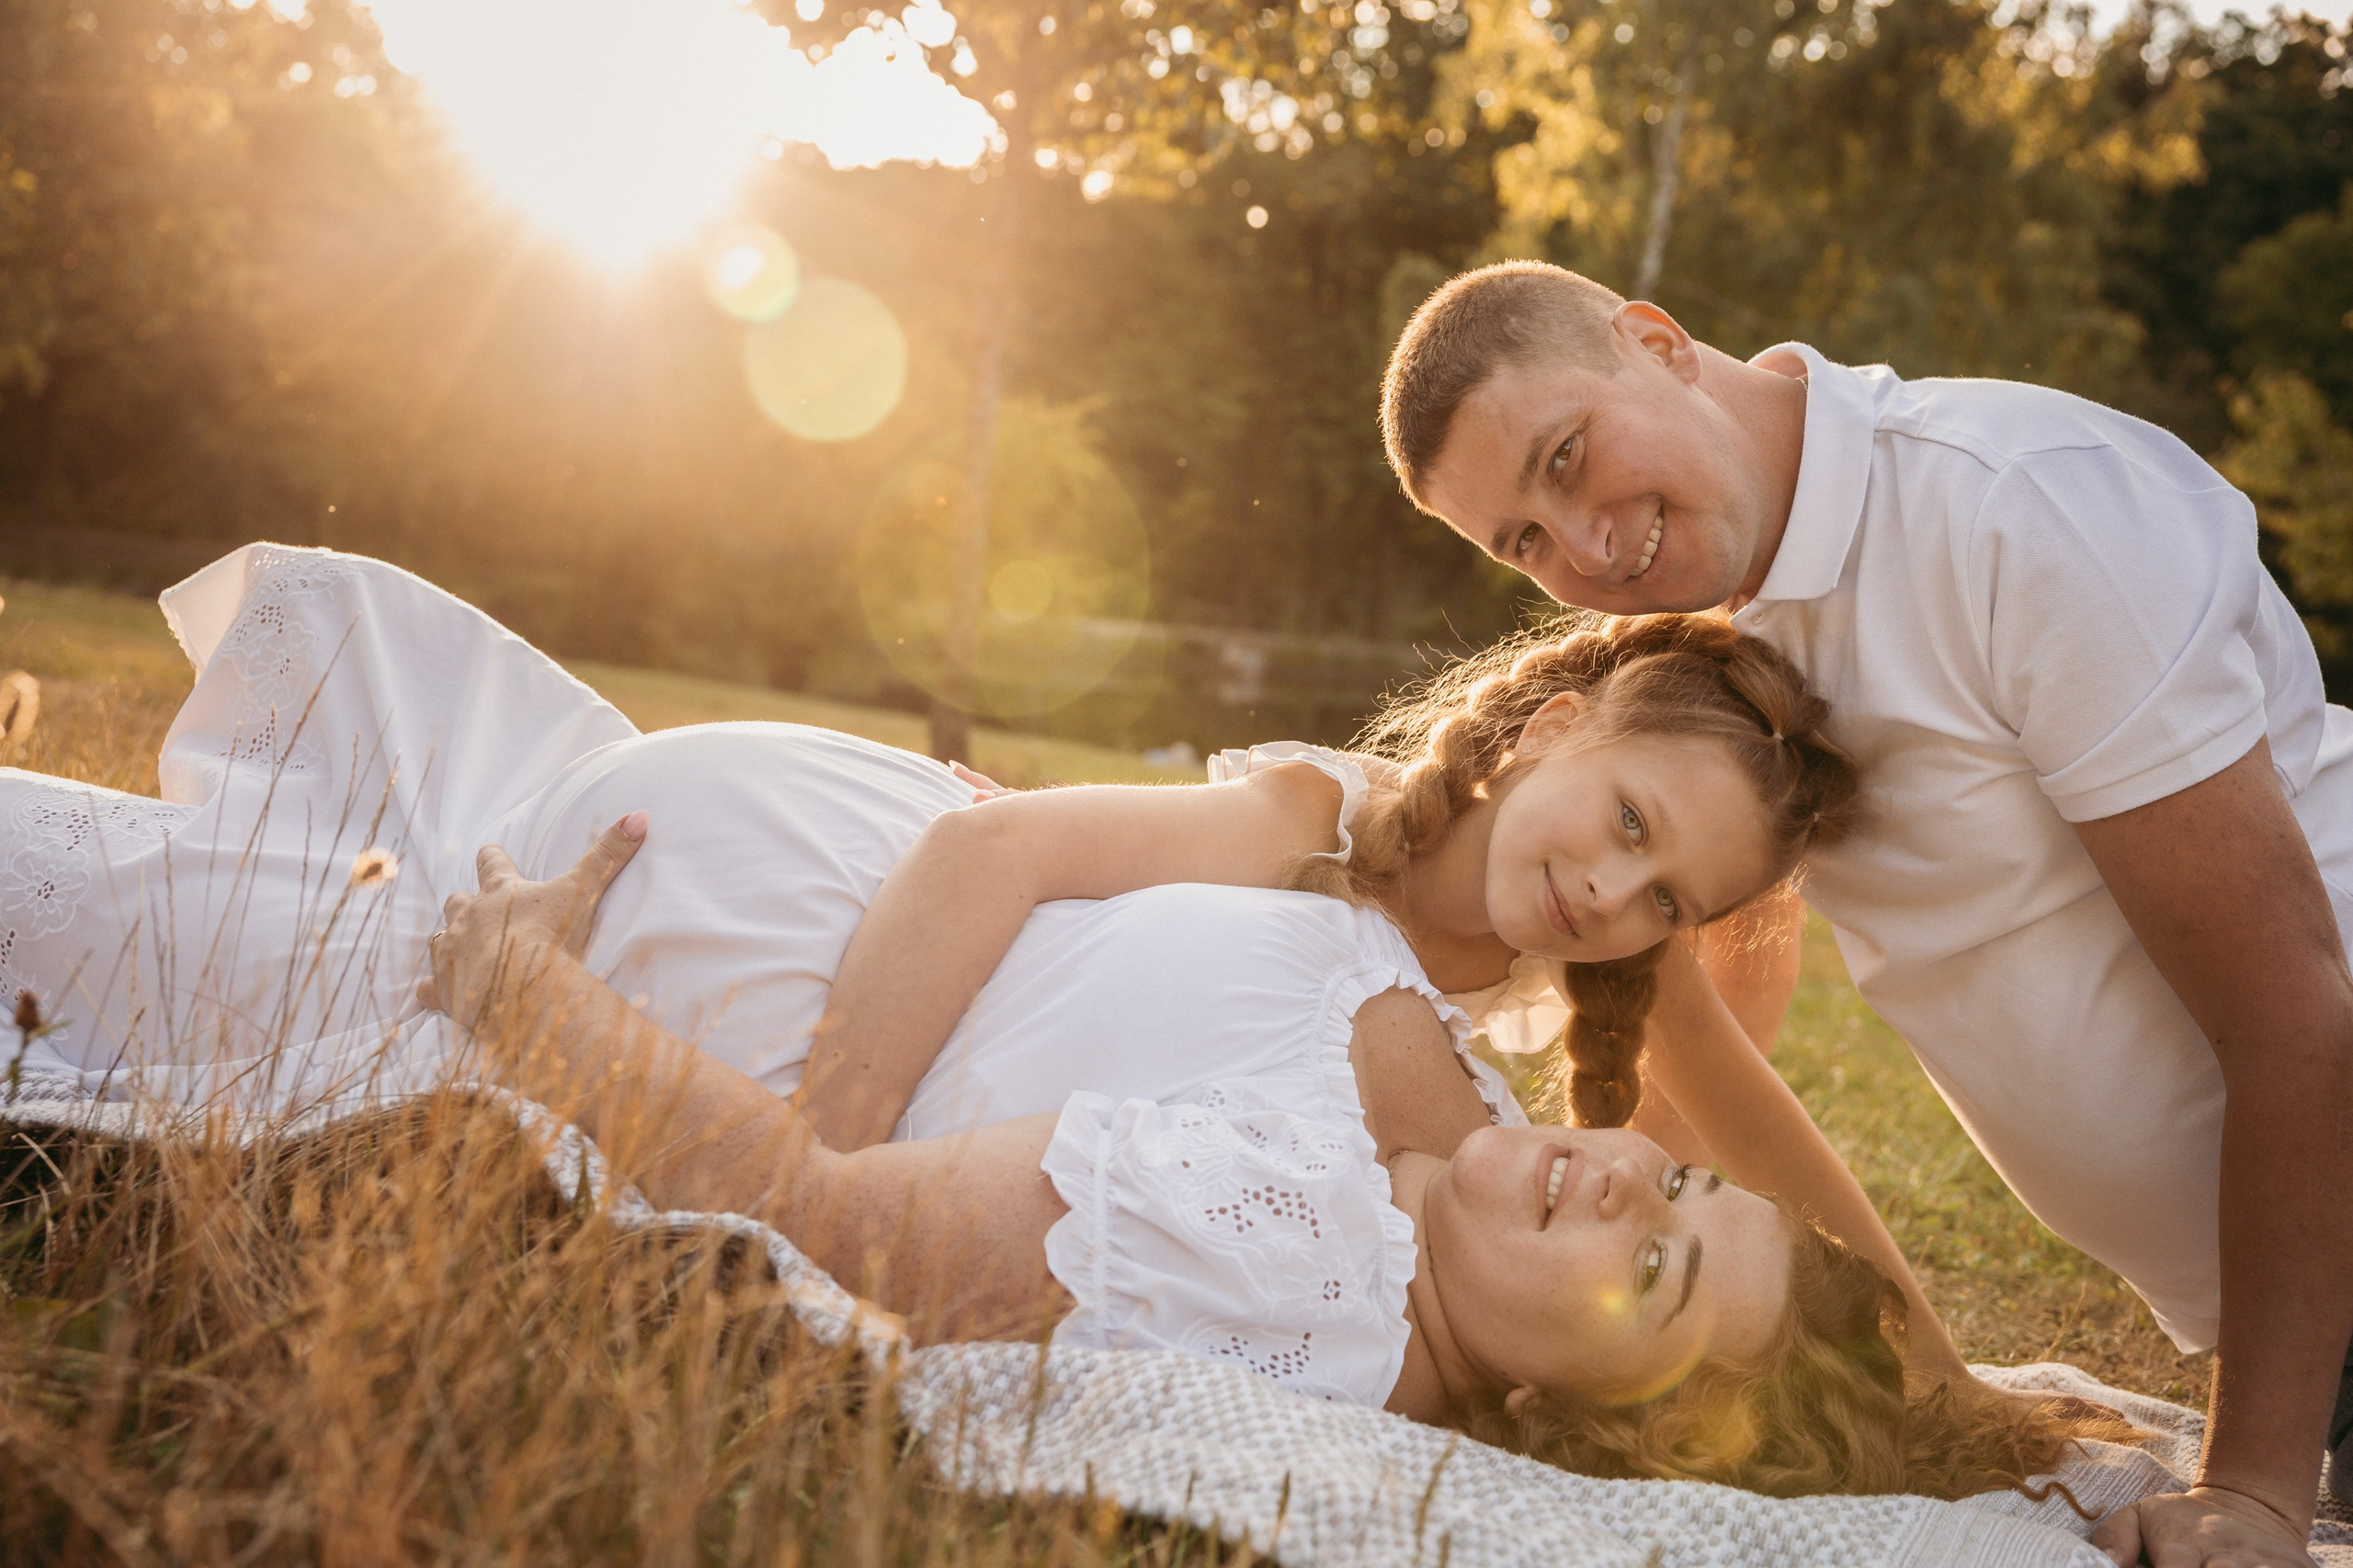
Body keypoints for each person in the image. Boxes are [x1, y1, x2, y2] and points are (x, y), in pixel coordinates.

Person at [1380, 259, 2353, 1567]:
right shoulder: (1726, 647)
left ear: (1657, 343)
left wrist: (2255, 1490)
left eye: (1569, 457)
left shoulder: (2014, 514)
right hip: (2309, 1325)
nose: (1588, 548)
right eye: (1525, 541)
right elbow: (1720, 1032)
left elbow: (2297, 1010)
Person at [415, 807, 2128, 1498]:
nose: (1626, 1175)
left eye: (1658, 1265)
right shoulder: (1386, 1285)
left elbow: (819, 1219)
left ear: (1600, 1413)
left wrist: (513, 981)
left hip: (558, 971)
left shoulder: (1297, 1243)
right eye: (1680, 1182)